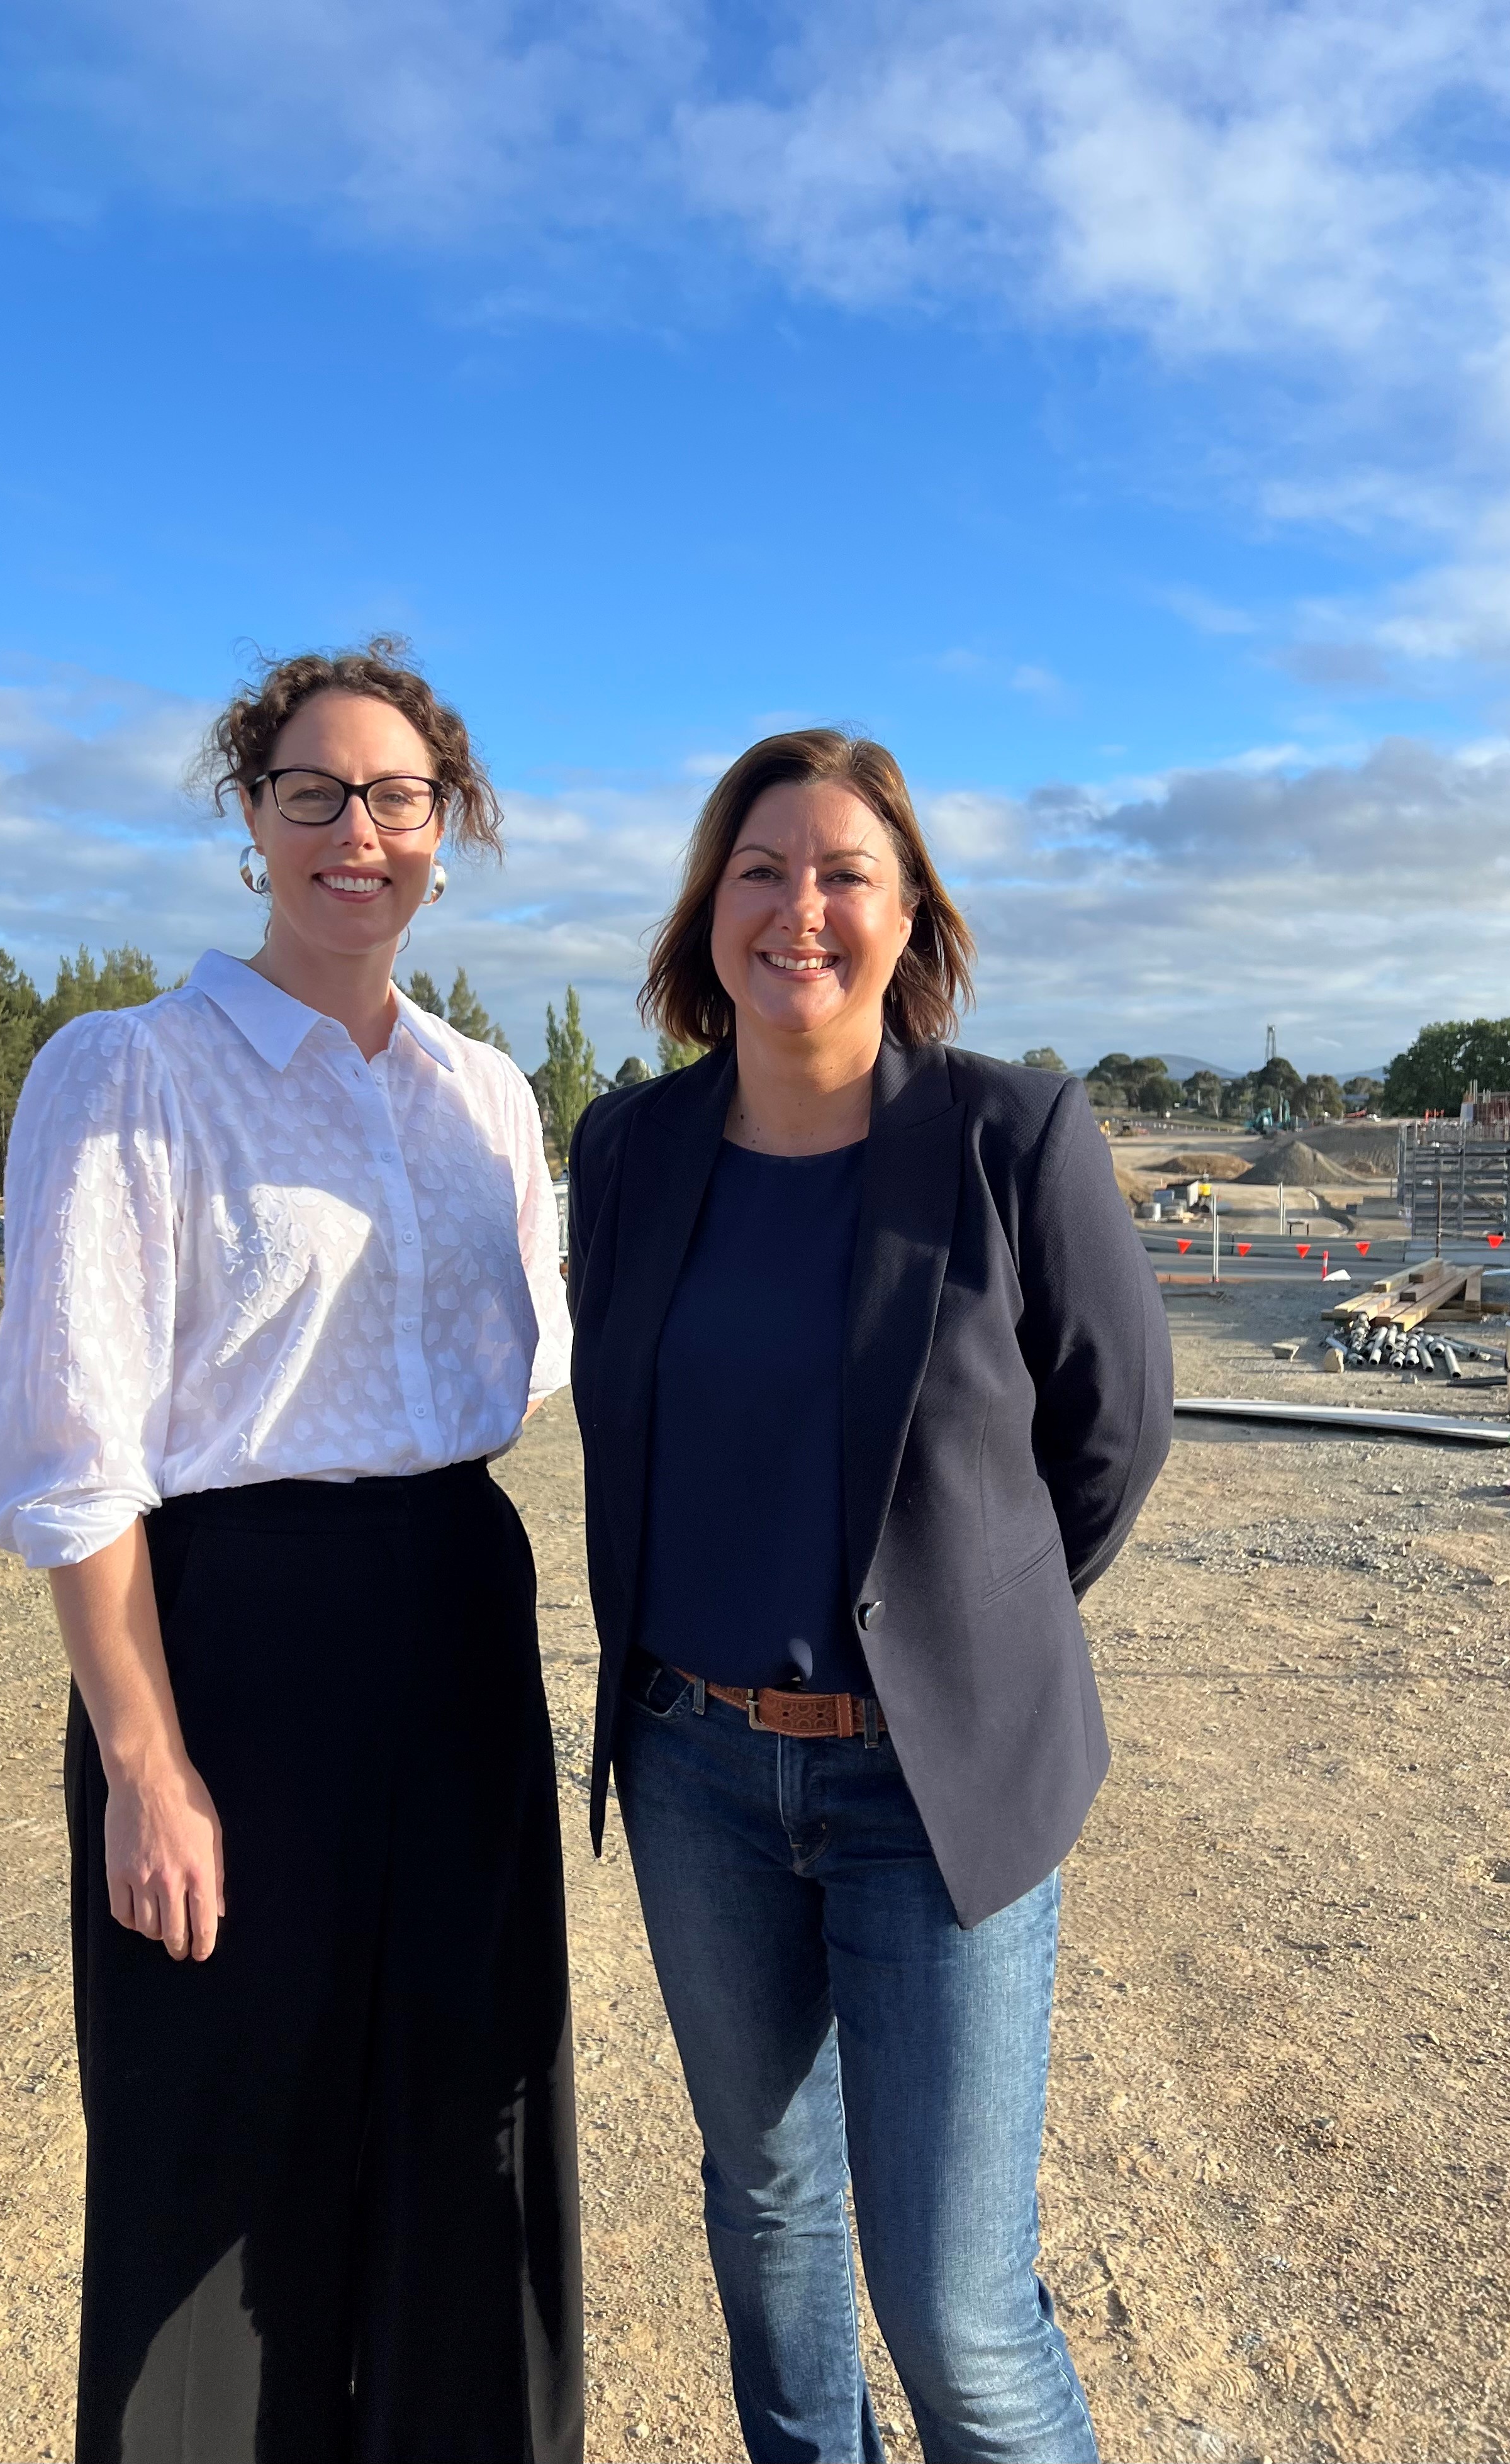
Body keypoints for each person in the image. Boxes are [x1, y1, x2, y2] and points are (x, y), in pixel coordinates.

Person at [0, 642, 582, 2464]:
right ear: (251, 822)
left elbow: (535, 1369)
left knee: (459, 2124)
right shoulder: (131, 1074)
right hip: (228, 1644)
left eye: (395, 796)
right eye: (310, 792)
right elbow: (77, 1456)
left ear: (446, 834)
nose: (355, 830)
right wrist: (145, 1766)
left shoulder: (486, 1095)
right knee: (216, 2143)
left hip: (459, 1634)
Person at [567, 729, 1172, 2463]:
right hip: (696, 1772)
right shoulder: (629, 1150)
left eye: (844, 873)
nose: (799, 908)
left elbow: (1111, 1435)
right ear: (708, 909)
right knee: (765, 2220)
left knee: (955, 2313)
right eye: (760, 869)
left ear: (909, 921)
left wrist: (965, 1633)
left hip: (936, 1789)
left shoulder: (1011, 1132)